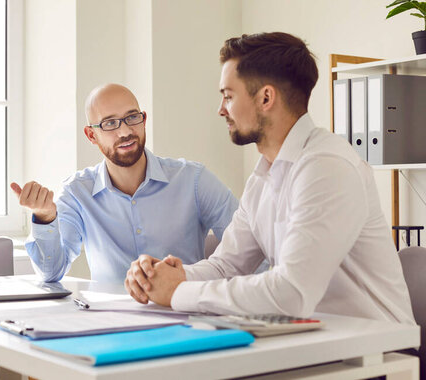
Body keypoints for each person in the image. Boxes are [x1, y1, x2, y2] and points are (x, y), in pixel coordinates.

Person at [124, 32, 415, 324]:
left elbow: (291, 293)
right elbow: (227, 265)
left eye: (228, 96)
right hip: (312, 343)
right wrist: (166, 277)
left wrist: (178, 293)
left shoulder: (326, 167)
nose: (221, 109)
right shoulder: (264, 176)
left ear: (265, 97)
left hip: (379, 353)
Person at [11, 84, 239, 283]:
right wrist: (45, 217)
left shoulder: (194, 180)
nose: (125, 131)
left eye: (132, 117)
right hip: (110, 324)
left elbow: (250, 251)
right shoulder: (76, 193)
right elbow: (51, 274)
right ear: (91, 136)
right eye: (110, 123)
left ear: (144, 120)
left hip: (185, 316)